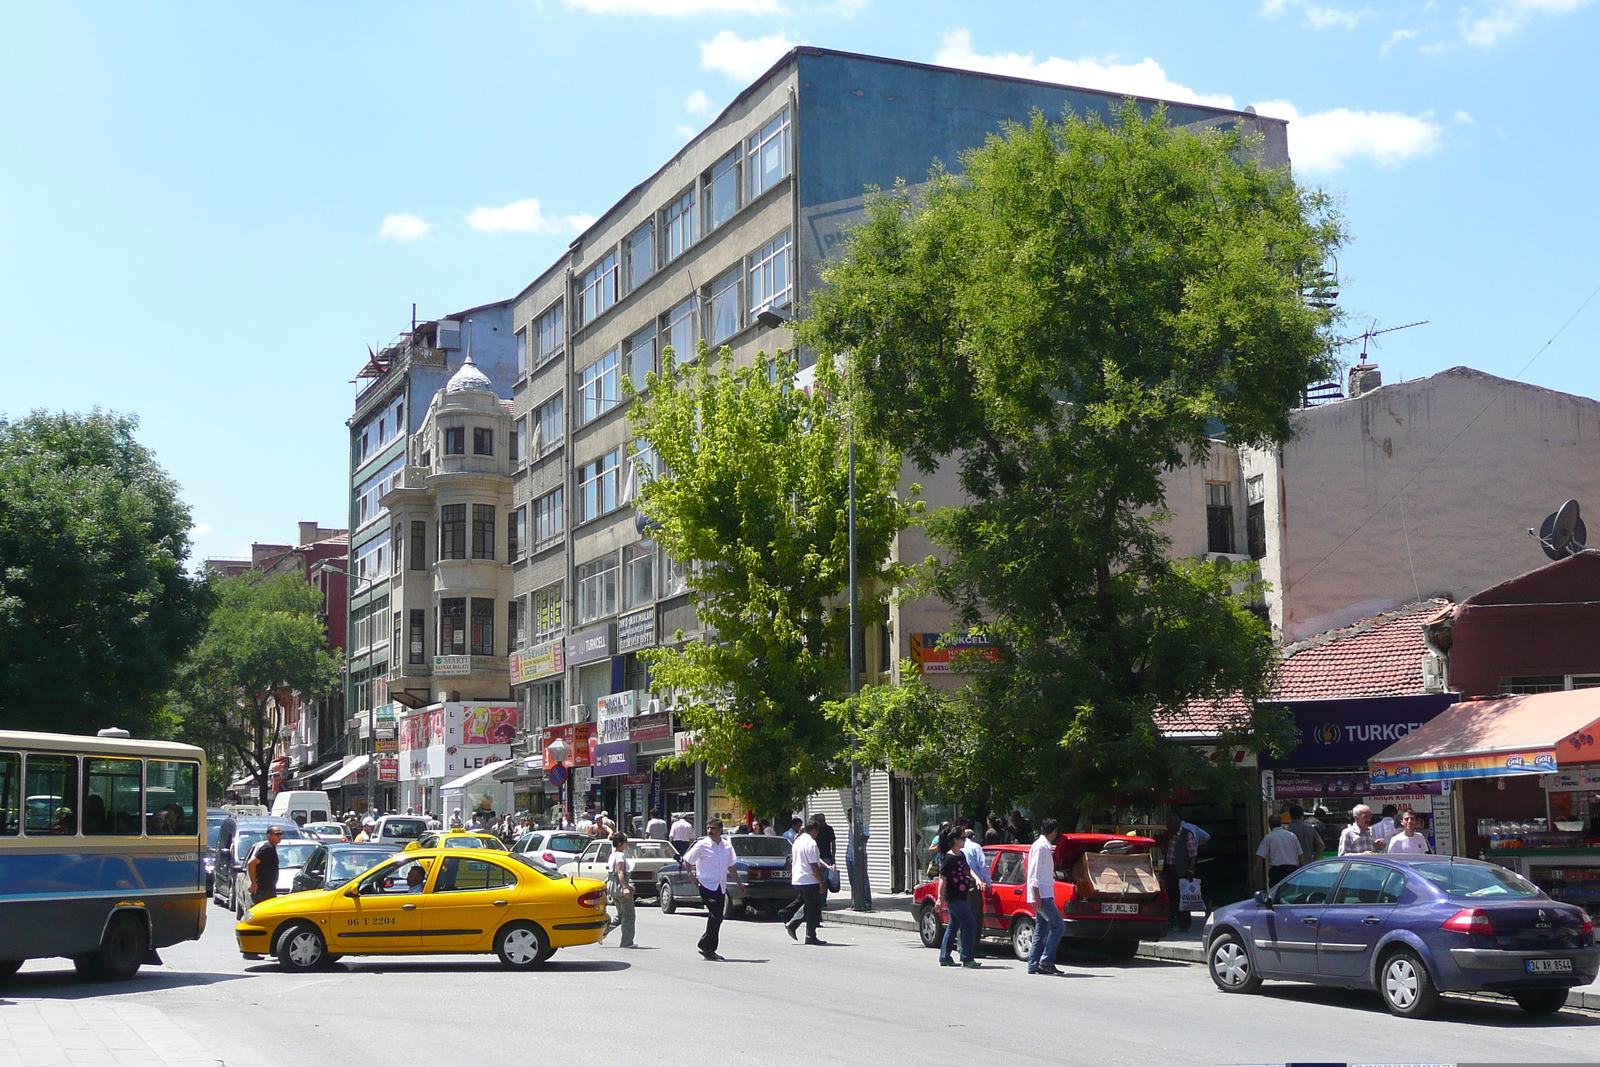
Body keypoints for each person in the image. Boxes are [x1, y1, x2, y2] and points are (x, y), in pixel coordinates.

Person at [681, 819, 739, 960]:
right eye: (708, 828)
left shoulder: (726, 846)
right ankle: (707, 947)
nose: (709, 831)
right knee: (716, 915)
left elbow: (731, 865)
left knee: (717, 917)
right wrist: (691, 875)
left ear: (720, 830)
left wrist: (739, 882)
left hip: (720, 885)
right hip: (706, 885)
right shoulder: (702, 845)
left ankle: (708, 947)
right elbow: (687, 860)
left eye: (712, 828)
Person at [1025, 818, 1064, 974]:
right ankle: (1046, 960)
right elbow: (1033, 872)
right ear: (1054, 832)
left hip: (1044, 894)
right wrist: (1036, 895)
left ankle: (1033, 963)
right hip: (1042, 895)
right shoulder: (1041, 847)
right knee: (1059, 926)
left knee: (1041, 928)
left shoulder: (1044, 847)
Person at [936, 831, 980, 968]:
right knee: (970, 924)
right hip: (954, 898)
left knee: (953, 925)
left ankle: (945, 956)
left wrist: (977, 879)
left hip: (962, 896)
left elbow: (968, 870)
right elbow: (942, 880)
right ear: (955, 840)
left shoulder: (961, 855)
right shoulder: (949, 858)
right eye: (962, 838)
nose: (964, 840)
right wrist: (939, 898)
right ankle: (967, 957)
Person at [784, 816, 830, 945]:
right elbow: (814, 864)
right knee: (814, 908)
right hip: (809, 879)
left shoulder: (798, 841)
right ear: (815, 830)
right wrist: (821, 882)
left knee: (809, 905)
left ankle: (792, 922)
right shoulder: (811, 843)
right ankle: (809, 934)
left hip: (798, 879)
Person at [1163, 813, 1197, 932]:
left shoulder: (1187, 835)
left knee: (1183, 899)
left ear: (1176, 824)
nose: (1168, 827)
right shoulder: (1170, 835)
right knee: (1171, 898)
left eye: (1169, 824)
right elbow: (1166, 851)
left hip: (1182, 871)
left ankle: (1184, 924)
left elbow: (1193, 855)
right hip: (1170, 870)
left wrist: (1190, 871)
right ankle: (1170, 922)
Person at [605, 832, 638, 948]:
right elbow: (620, 872)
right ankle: (627, 942)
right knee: (629, 915)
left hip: (613, 888)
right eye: (625, 842)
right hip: (620, 888)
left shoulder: (612, 855)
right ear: (620, 843)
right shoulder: (620, 856)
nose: (627, 844)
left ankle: (602, 931)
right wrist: (625, 888)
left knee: (620, 915)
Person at [1256, 817, 1304, 886]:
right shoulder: (1292, 836)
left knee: (1275, 892)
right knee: (1290, 892)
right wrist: (1303, 869)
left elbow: (1260, 855)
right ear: (1281, 823)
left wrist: (1255, 872)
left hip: (1276, 871)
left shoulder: (1269, 837)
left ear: (1270, 825)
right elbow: (1300, 854)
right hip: (1291, 870)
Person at [961, 828, 991, 938]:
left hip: (960, 883)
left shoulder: (960, 847)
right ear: (973, 837)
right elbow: (983, 866)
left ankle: (962, 945)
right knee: (974, 916)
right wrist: (988, 883)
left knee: (962, 916)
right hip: (973, 884)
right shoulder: (976, 847)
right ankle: (972, 946)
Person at [247, 826, 283, 905]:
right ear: (269, 835)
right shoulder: (267, 848)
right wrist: (254, 884)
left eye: (281, 834)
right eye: (277, 834)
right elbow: (251, 864)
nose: (280, 836)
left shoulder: (272, 848)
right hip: (263, 891)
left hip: (269, 889)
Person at [1281, 803, 1325, 868]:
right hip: (1307, 865)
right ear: (1302, 815)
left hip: (1291, 866)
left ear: (1290, 816)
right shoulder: (1310, 828)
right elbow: (1321, 845)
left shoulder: (1286, 829)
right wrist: (1313, 859)